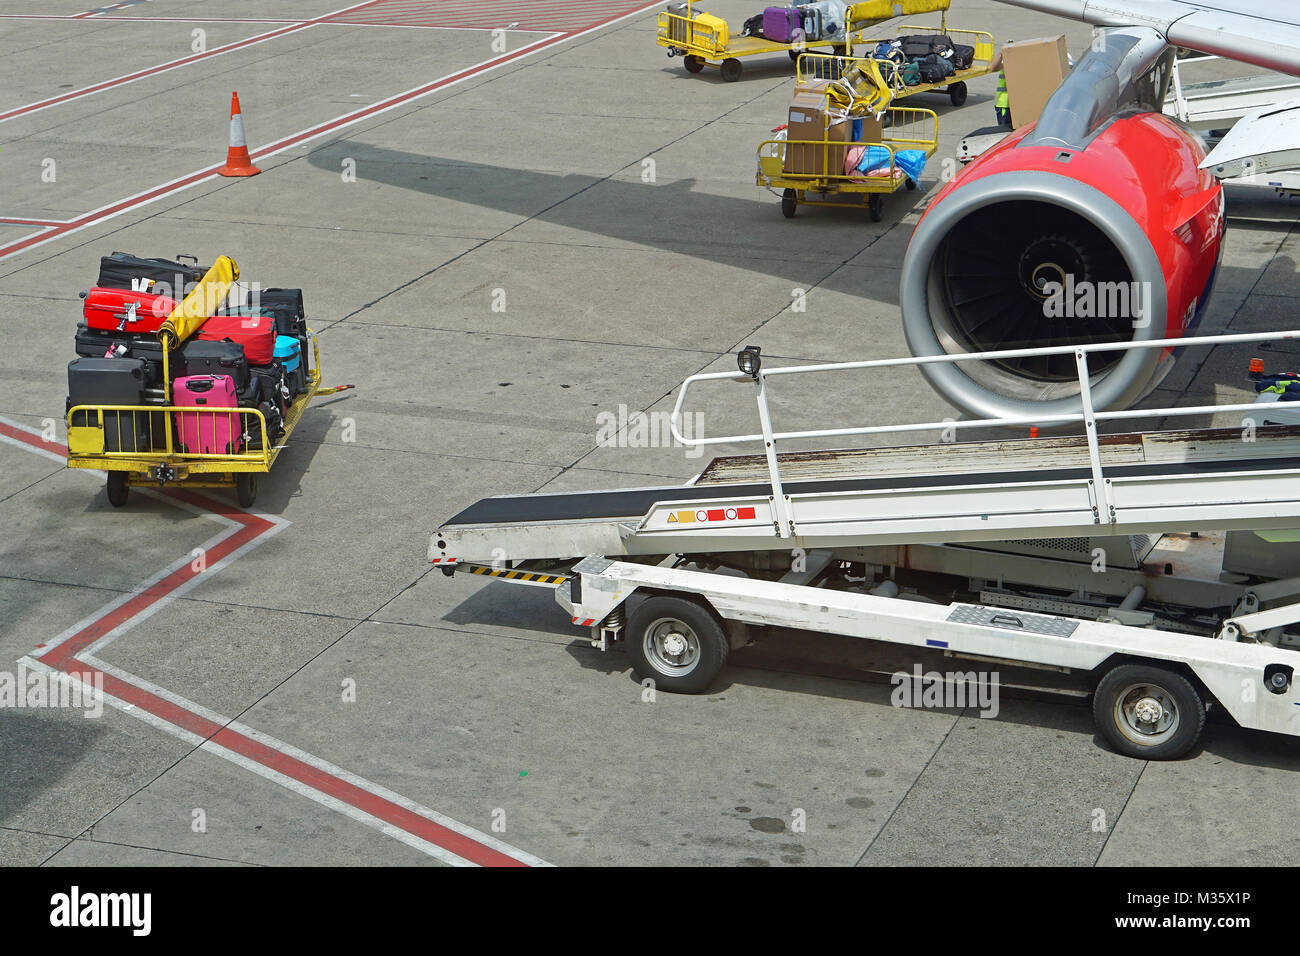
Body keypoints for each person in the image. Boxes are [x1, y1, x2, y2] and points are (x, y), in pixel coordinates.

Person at [989, 49, 1011, 126]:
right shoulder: (1007, 60)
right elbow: (993, 68)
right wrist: (1001, 54)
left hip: (1018, 104)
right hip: (1004, 104)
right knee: (1004, 131)